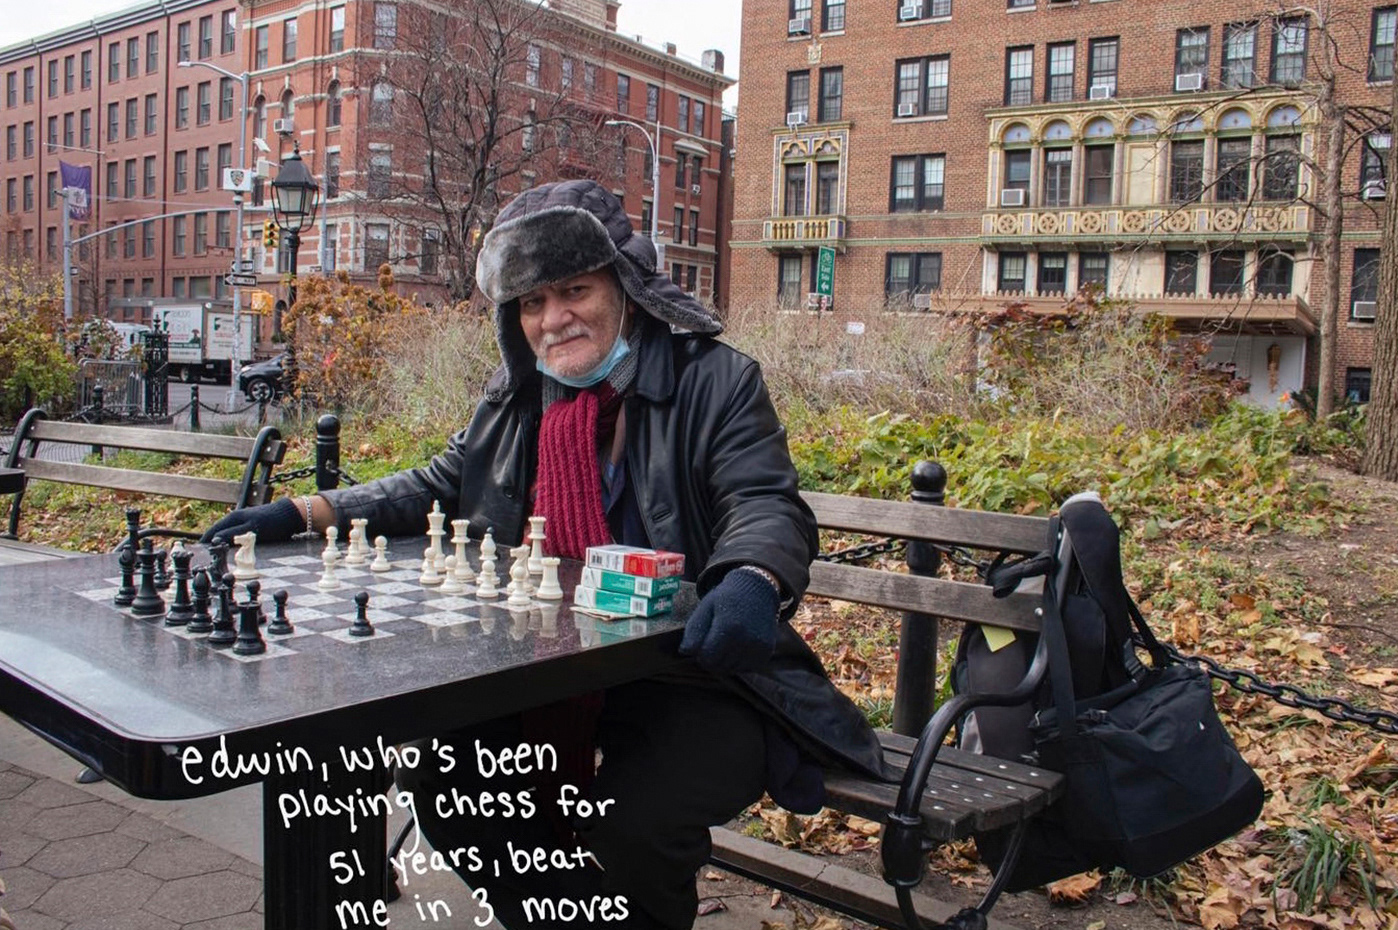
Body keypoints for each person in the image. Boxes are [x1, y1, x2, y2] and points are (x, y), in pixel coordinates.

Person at [203, 179, 885, 929]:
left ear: (624, 289)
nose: (554, 319)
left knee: (634, 823)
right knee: (446, 786)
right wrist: (308, 510)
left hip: (694, 674)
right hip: (540, 672)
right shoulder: (518, 399)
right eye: (532, 301)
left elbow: (763, 502)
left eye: (574, 291)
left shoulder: (716, 381)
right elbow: (440, 481)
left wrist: (753, 576)